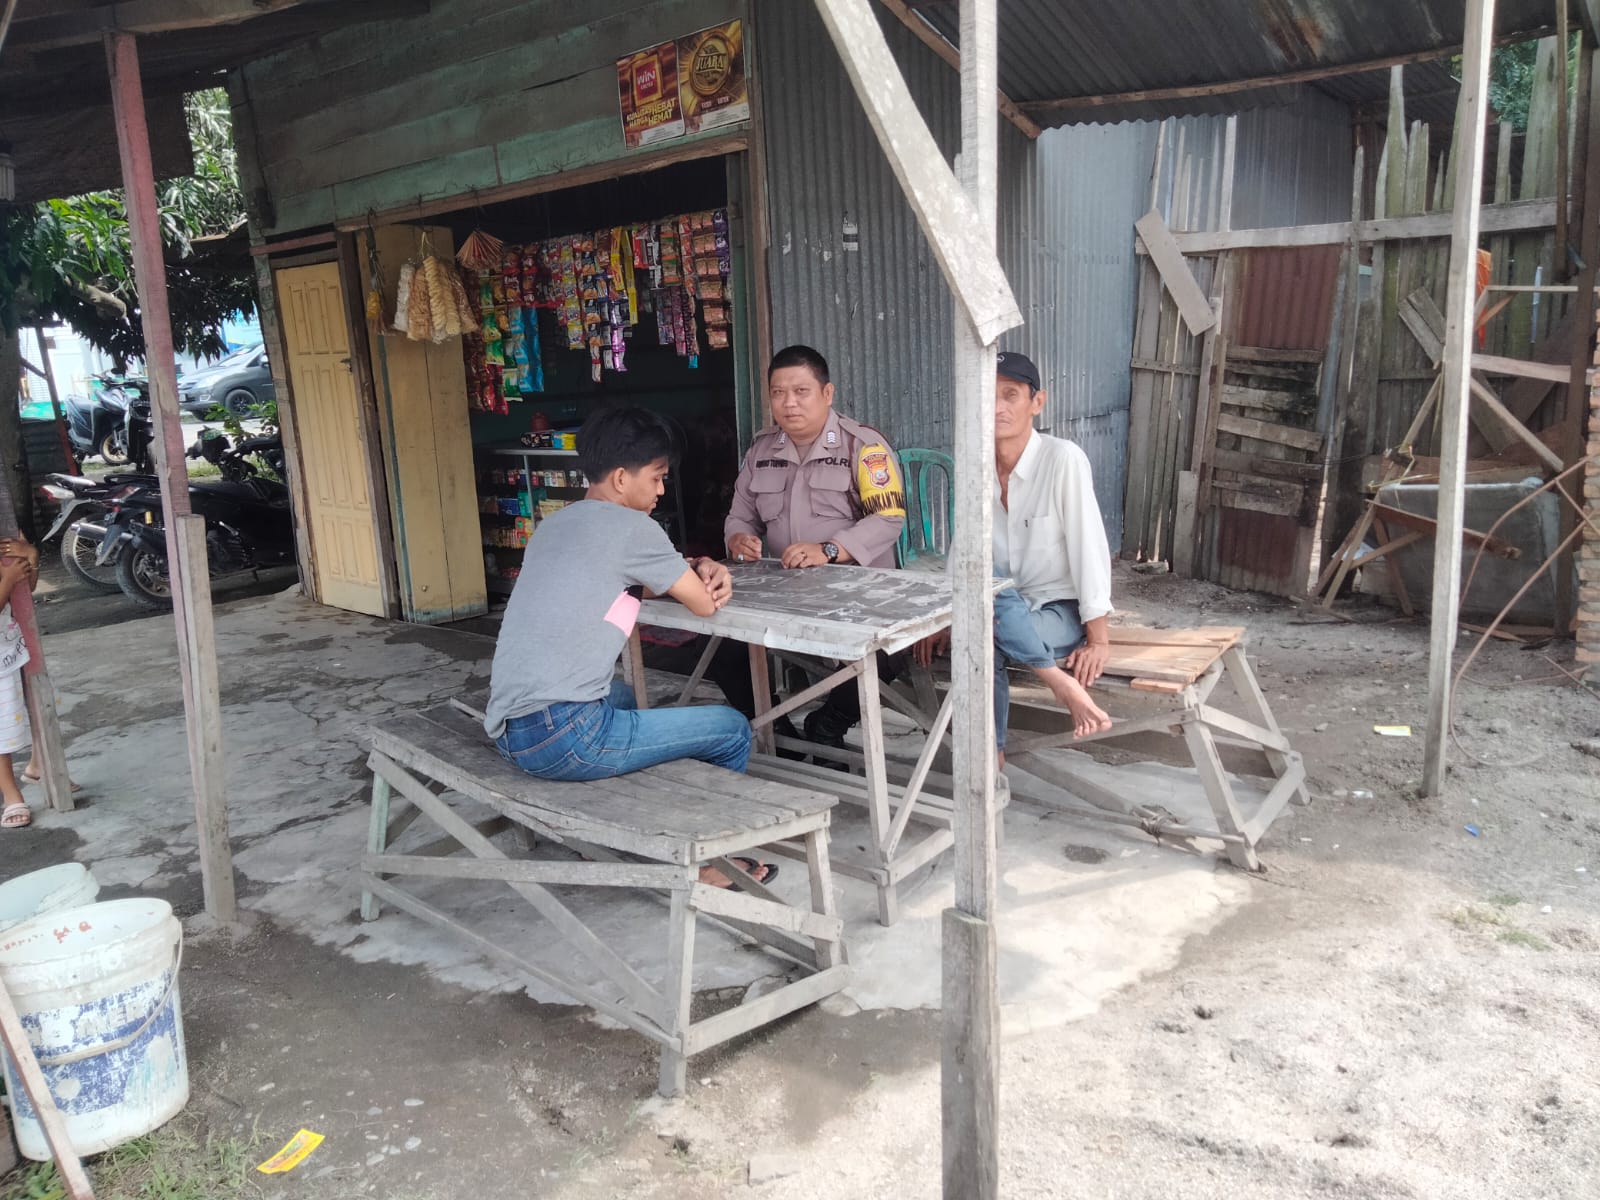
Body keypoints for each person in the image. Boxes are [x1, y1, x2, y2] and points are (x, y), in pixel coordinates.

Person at [484, 405, 773, 886]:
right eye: (657, 477)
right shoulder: (635, 529)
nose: (661, 490)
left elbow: (642, 578)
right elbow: (704, 604)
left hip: (512, 729)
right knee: (731, 729)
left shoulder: (554, 525)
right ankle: (707, 863)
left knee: (623, 696)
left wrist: (693, 564)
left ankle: (642, 815)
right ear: (621, 478)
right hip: (566, 739)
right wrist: (710, 572)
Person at [917, 351, 1112, 760]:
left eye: (1010, 395)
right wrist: (945, 616)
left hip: (1058, 610)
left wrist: (1099, 640)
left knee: (983, 625)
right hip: (1000, 606)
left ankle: (990, 756)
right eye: (987, 396)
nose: (997, 408)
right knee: (986, 600)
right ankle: (1008, 743)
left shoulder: (1063, 459)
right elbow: (964, 550)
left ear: (1037, 402)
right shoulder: (975, 465)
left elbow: (1088, 547)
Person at [719, 344, 907, 750]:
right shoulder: (761, 449)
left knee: (889, 654)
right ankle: (775, 730)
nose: (788, 403)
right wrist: (738, 538)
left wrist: (831, 550)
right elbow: (739, 516)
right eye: (778, 393)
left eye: (801, 391)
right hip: (783, 589)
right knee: (719, 646)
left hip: (858, 590)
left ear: (827, 393)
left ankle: (828, 724)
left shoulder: (863, 446)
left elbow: (888, 518)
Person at [0, 537, 39, 830]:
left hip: (11, 648)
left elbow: (27, 589)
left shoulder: (7, 536)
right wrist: (8, 579)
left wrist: (31, 558)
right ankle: (11, 794)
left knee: (38, 706)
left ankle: (40, 765)